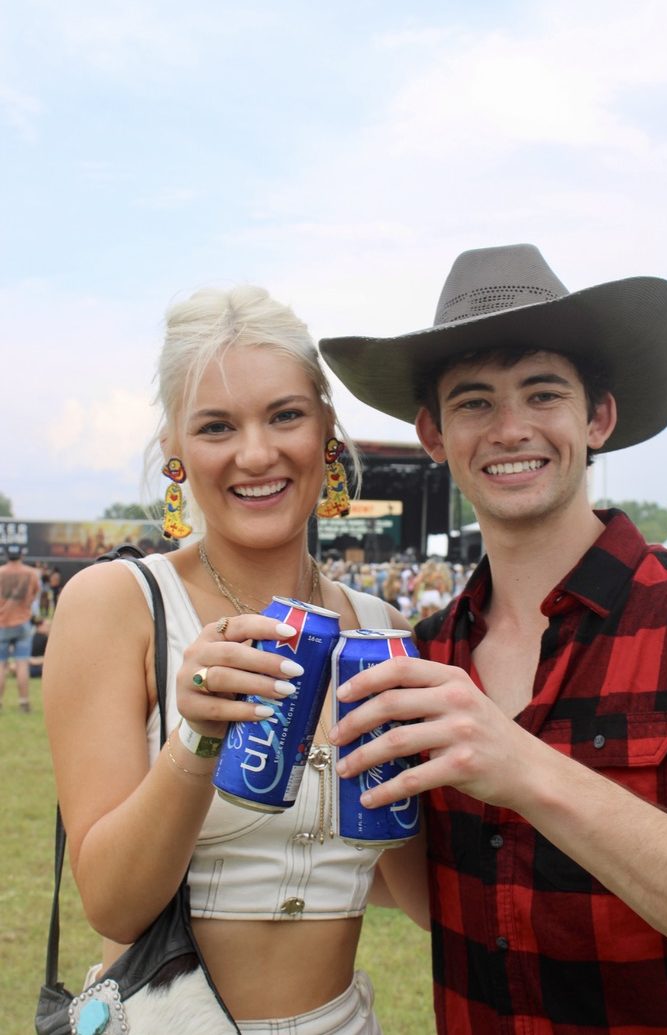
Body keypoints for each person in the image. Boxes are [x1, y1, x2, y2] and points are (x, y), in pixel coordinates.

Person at [320, 244, 667, 1033]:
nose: (511, 429)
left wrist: (521, 766)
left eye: (543, 393)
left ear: (596, 416)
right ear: (434, 434)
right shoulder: (424, 655)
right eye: (474, 403)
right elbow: (450, 909)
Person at [43, 284, 428, 1034]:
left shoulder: (384, 629)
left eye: (285, 414)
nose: (256, 452)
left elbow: (416, 896)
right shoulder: (118, 604)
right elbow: (113, 903)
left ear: (328, 432)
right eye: (217, 426)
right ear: (176, 455)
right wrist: (196, 737)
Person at [0, 544, 41, 712]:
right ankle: (24, 702)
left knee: (1, 665)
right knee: (22, 664)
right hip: (23, 623)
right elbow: (35, 595)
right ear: (21, 556)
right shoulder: (31, 573)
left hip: (2, 623)